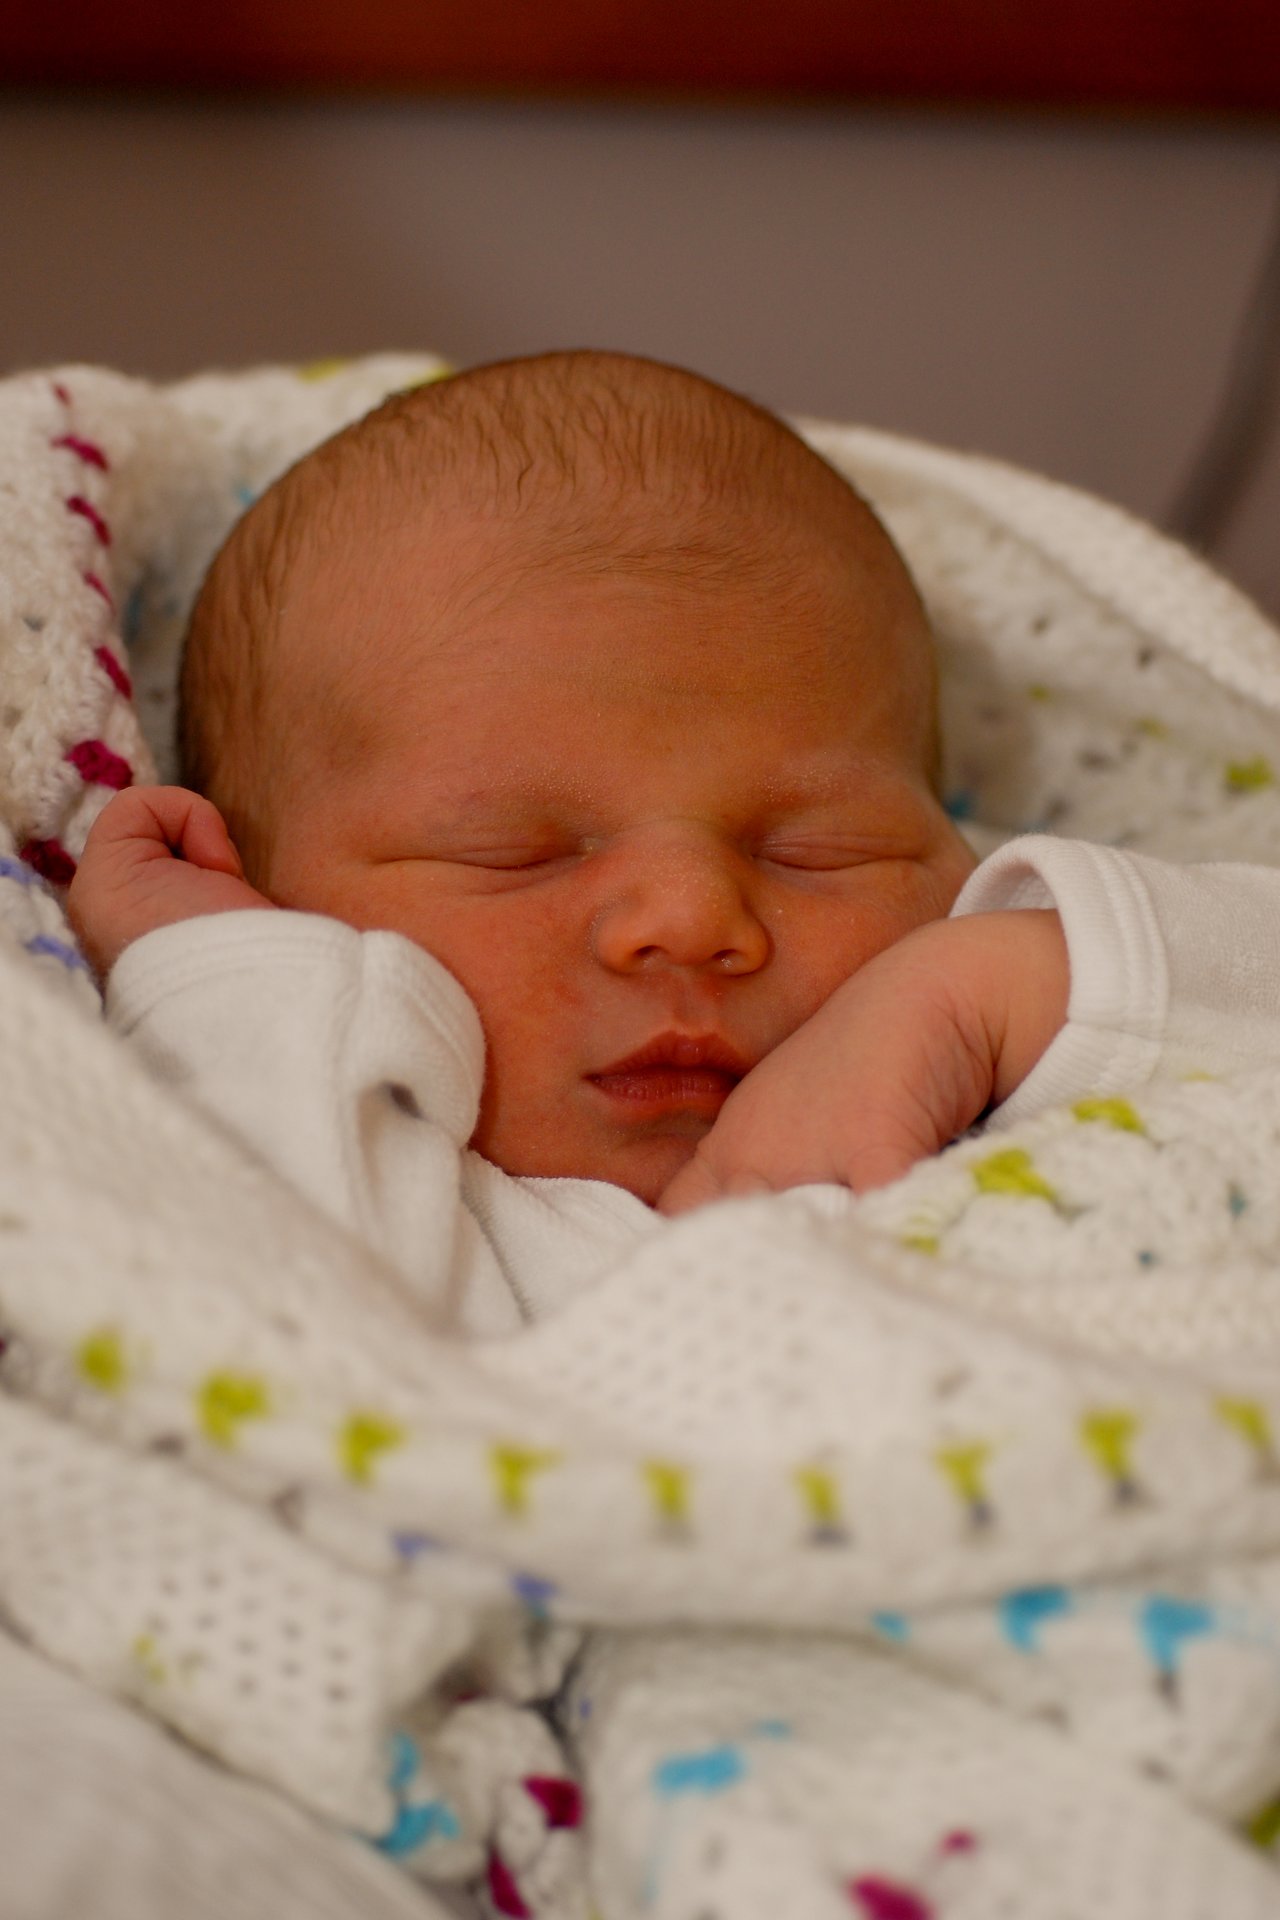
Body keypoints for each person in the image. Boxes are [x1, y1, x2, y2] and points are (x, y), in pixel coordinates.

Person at [63, 351, 1277, 1332]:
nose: (691, 917)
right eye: (511, 851)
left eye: (821, 847)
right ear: (263, 895)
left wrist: (994, 983)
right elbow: (271, 1332)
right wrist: (219, 982)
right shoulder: (410, 1207)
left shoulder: (1014, 1050)